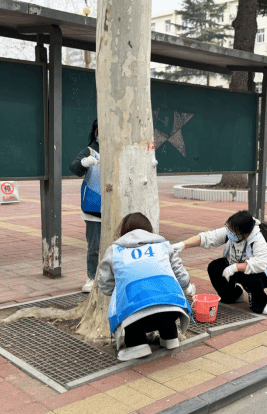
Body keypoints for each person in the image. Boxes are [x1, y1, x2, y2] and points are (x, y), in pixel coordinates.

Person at [97, 212, 195, 361]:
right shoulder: (164, 246)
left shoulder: (114, 251)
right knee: (164, 299)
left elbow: (105, 285)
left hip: (137, 317)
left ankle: (136, 344)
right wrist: (188, 288)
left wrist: (121, 288)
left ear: (123, 231)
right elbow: (182, 277)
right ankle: (170, 337)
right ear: (149, 229)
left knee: (131, 304)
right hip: (172, 312)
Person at [172, 210, 267, 315]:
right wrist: (182, 245)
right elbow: (207, 238)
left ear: (245, 234)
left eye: (233, 231)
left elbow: (259, 264)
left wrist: (235, 267)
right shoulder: (233, 231)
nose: (230, 232)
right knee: (215, 267)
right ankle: (233, 296)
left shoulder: (258, 239)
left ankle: (261, 300)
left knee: (252, 277)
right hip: (237, 264)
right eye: (229, 229)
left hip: (261, 273)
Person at [69, 120, 101, 292]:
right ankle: (91, 277)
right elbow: (74, 167)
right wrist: (84, 162)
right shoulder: (89, 151)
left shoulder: (120, 150)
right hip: (93, 208)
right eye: (99, 129)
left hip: (116, 208)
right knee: (94, 247)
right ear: (95, 132)